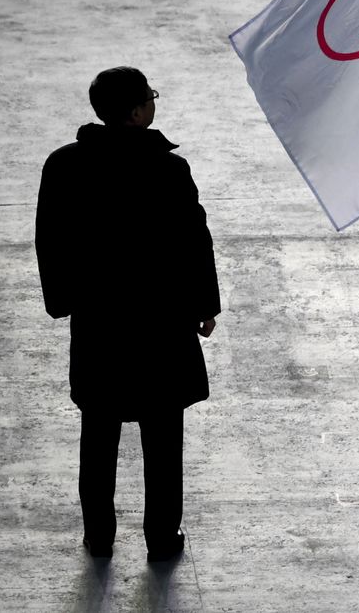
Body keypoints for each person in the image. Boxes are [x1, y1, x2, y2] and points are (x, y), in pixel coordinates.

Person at [36, 67, 221, 562]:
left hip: (99, 323)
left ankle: (99, 535)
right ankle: (162, 538)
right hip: (161, 324)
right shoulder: (166, 170)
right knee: (163, 438)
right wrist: (204, 305)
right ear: (139, 111)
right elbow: (192, 242)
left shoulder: (64, 166)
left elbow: (50, 240)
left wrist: (62, 301)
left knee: (98, 433)